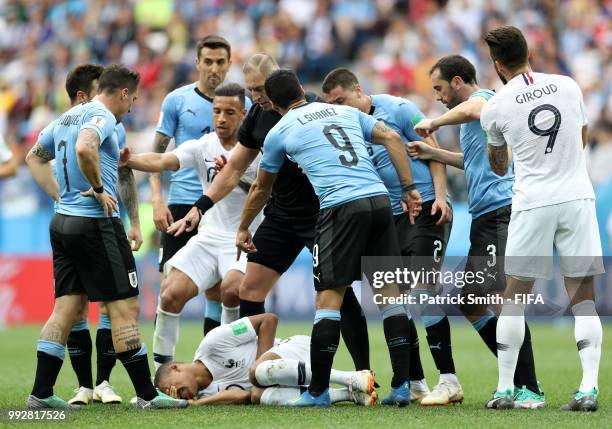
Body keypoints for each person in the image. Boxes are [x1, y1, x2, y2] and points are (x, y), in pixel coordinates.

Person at [168, 53, 372, 373]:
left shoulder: (311, 106)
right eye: (251, 90)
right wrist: (200, 207)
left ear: (279, 81)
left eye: (262, 88)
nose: (257, 96)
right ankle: (255, 370)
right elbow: (235, 168)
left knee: (339, 294)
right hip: (280, 215)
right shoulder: (257, 116)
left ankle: (364, 372)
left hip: (320, 214)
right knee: (248, 290)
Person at [234, 69, 421, 407]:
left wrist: (244, 226)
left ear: (274, 104)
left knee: (328, 301)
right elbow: (393, 139)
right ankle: (403, 386)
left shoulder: (280, 130)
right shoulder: (347, 111)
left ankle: (318, 392)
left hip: (339, 208)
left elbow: (262, 187)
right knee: (390, 297)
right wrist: (408, 189)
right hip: (379, 201)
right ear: (302, 91)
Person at [24, 64, 186, 409]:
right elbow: (85, 148)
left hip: (62, 223)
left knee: (66, 307)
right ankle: (146, 395)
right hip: (96, 224)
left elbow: (34, 158)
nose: (133, 106)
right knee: (124, 306)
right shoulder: (102, 117)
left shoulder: (67, 116)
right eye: (133, 99)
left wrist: (59, 196)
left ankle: (40, 392)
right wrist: (98, 188)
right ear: (124, 93)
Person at [408, 54, 544, 409]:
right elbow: (471, 163)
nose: (436, 95)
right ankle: (514, 377)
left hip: (501, 212)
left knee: (500, 297)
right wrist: (430, 151)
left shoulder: (485, 100)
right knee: (471, 299)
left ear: (457, 82)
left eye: (439, 88)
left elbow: (472, 110)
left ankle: (530, 387)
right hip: (486, 216)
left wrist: (433, 123)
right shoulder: (474, 121)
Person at [480, 26, 604, 411]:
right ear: (529, 52)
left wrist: (498, 144)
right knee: (583, 300)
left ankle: (504, 389)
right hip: (576, 197)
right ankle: (587, 389)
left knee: (513, 299)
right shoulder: (568, 86)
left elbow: (499, 167)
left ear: (498, 65)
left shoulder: (496, 105)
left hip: (533, 202)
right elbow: (581, 138)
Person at [322, 68, 459, 406]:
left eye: (342, 100)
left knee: (425, 290)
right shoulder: (347, 127)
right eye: (333, 104)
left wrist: (440, 197)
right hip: (390, 218)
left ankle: (449, 380)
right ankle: (415, 382)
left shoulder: (398, 108)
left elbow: (432, 149)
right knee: (397, 299)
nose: (341, 107)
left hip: (427, 207)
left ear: (358, 89)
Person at [122, 84, 261, 369]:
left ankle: (224, 368)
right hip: (209, 236)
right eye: (217, 111)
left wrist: (234, 176)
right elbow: (162, 159)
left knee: (232, 290)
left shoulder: (258, 150)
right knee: (170, 293)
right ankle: (162, 374)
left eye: (229, 112)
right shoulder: (203, 146)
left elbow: (267, 192)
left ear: (244, 114)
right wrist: (131, 160)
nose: (221, 118)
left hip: (245, 238)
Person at [150, 35, 249, 344]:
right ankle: (164, 368)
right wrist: (156, 198)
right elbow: (158, 154)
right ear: (197, 63)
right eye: (208, 61)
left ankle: (212, 362)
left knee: (219, 290)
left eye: (220, 62)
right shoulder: (177, 100)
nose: (214, 68)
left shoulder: (240, 106)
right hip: (182, 201)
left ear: (230, 64)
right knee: (170, 287)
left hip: (222, 208)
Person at [154, 313, 377, 406]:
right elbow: (244, 395)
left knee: (257, 373)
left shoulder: (212, 343)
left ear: (175, 367)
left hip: (295, 349)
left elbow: (268, 320)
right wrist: (196, 403)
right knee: (259, 395)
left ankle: (352, 377)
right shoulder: (206, 394)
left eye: (169, 387)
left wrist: (260, 363)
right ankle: (348, 394)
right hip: (290, 378)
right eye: (169, 395)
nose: (173, 392)